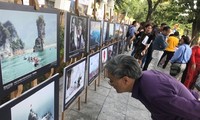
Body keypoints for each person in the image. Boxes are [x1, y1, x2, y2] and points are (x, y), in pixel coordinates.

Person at [105, 54, 200, 120]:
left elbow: (194, 110)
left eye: (111, 81)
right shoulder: (147, 75)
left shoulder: (155, 94)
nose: (111, 84)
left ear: (125, 80)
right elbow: (179, 87)